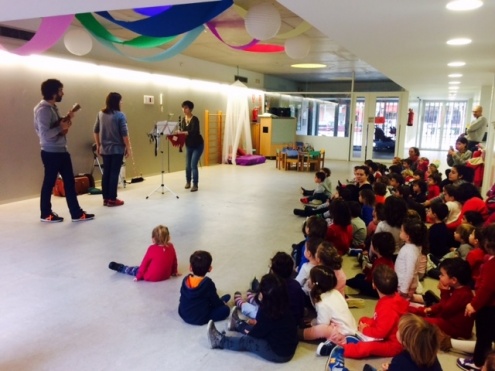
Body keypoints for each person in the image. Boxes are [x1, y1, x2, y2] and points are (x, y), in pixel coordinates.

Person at [34, 78, 94, 222]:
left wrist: (67, 119)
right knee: (49, 182)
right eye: (61, 90)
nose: (63, 93)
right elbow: (45, 134)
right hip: (51, 152)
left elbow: (58, 125)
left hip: (61, 150)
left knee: (69, 182)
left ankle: (76, 213)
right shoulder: (43, 110)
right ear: (54, 93)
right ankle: (45, 214)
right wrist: (61, 127)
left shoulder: (53, 107)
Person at [318, 266, 409, 360]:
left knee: (368, 348)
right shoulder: (395, 297)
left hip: (393, 344)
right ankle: (358, 338)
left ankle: (340, 348)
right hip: (389, 331)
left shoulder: (388, 308)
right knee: (363, 319)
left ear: (374, 285)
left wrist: (365, 330)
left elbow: (381, 333)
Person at [207, 273, 299, 363]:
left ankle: (219, 341)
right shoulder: (282, 305)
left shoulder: (267, 313)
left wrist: (248, 331)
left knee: (247, 341)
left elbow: (256, 334)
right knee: (256, 327)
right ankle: (237, 325)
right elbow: (265, 327)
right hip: (286, 343)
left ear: (263, 295)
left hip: (279, 354)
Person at [457, 224, 495, 371]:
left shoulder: (492, 264)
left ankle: (478, 363)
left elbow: (487, 288)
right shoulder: (489, 260)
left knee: (484, 337)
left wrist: (474, 304)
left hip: (488, 307)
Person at [410, 258, 474, 343]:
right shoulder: (454, 288)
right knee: (425, 311)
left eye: (442, 275)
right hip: (447, 318)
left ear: (454, 280)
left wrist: (444, 292)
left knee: (423, 322)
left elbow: (446, 309)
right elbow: (442, 305)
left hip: (456, 328)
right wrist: (431, 309)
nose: (439, 276)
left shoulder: (463, 294)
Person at [234, 251, 305, 327]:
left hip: (278, 321)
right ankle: (252, 299)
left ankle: (242, 304)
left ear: (273, 272)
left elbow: (264, 313)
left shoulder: (273, 290)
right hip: (294, 319)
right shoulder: (296, 284)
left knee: (255, 310)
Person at [364, 314, 442, 371]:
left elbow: (403, 366)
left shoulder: (400, 360)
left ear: (405, 342)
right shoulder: (432, 357)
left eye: (399, 330)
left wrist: (392, 368)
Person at [300, 265, 357, 344]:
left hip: (343, 333)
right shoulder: (335, 292)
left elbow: (323, 324)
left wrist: (314, 322)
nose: (308, 280)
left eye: (310, 278)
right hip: (351, 327)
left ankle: (300, 334)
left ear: (314, 283)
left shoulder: (322, 302)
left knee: (321, 329)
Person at [93, 92, 131, 207]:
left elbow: (95, 130)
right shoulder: (120, 115)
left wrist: (98, 145)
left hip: (105, 149)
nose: (122, 102)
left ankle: (106, 198)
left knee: (106, 173)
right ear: (116, 102)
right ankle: (112, 199)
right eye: (120, 100)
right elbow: (124, 134)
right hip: (117, 149)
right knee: (114, 173)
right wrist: (128, 148)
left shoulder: (100, 114)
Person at [108, 225, 179, 281]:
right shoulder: (171, 246)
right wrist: (174, 272)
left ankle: (121, 268)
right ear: (169, 238)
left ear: (153, 239)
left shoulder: (152, 249)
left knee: (135, 269)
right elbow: (174, 261)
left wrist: (138, 277)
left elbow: (144, 264)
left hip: (152, 277)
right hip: (166, 275)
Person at [178, 250, 230, 325]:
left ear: (190, 268)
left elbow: (182, 297)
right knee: (225, 310)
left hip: (183, 313)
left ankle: (220, 302)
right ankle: (222, 302)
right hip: (200, 318)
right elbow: (214, 301)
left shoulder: (185, 280)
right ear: (210, 268)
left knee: (203, 298)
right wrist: (221, 304)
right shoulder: (208, 283)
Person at [347, 232, 395, 298]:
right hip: (380, 284)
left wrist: (366, 275)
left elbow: (370, 279)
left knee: (355, 281)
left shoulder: (380, 263)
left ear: (376, 248)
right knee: (359, 276)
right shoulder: (388, 259)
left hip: (376, 289)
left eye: (371, 244)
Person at [396, 218, 426, 299]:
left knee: (402, 303)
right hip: (405, 282)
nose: (400, 232)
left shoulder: (410, 251)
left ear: (408, 237)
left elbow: (410, 271)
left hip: (404, 284)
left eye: (402, 231)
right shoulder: (415, 247)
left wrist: (404, 289)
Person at [179, 100, 204, 192]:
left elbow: (194, 132)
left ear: (190, 109)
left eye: (186, 108)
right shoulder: (183, 119)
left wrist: (184, 132)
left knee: (193, 165)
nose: (184, 109)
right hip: (189, 145)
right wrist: (179, 133)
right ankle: (188, 181)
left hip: (198, 145)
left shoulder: (195, 119)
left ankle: (195, 184)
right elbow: (182, 131)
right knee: (187, 165)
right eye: (183, 107)